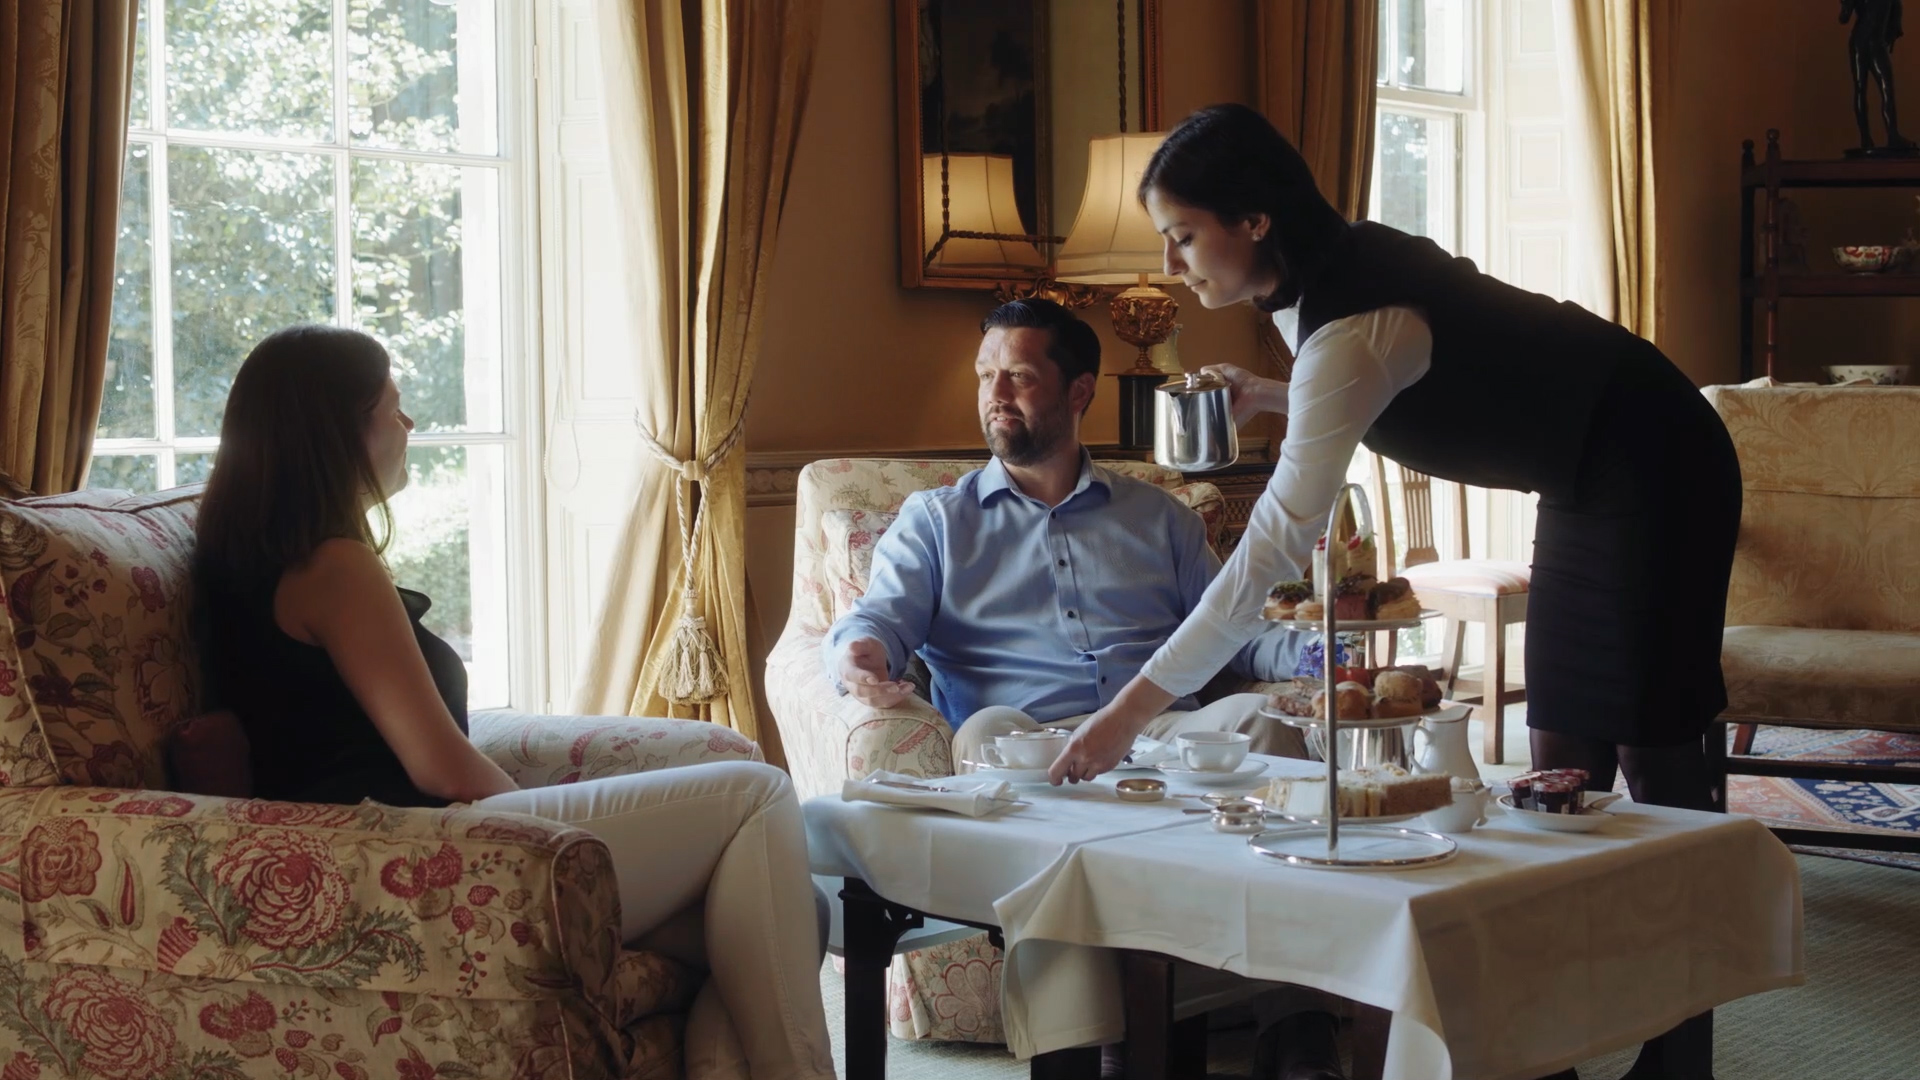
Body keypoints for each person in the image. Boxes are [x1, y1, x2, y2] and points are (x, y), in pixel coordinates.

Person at [1046, 103, 1740, 1080]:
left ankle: (1682, 1052)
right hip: (1582, 470)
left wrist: (1128, 711)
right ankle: (1548, 1051)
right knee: (1559, 764)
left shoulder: (1347, 319)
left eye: (1183, 236)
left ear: (1252, 220)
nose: (1170, 264)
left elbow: (1268, 552)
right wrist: (1274, 397)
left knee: (1657, 761)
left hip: (1657, 457)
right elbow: (1408, 368)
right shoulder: (1320, 279)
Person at [193, 324, 836, 1080]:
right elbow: (440, 767)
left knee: (783, 917)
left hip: (379, 849)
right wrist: (541, 840)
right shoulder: (336, 567)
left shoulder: (252, 560)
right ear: (339, 432)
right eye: (392, 408)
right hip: (419, 854)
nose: (408, 426)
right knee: (757, 793)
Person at [826, 297, 1312, 765]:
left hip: (1160, 736)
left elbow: (1238, 631)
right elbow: (878, 622)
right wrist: (858, 654)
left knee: (1258, 718)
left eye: (1018, 376)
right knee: (983, 731)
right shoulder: (936, 521)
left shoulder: (1163, 518)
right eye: (985, 376)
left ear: (1078, 391)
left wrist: (1334, 654)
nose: (995, 395)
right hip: (1026, 741)